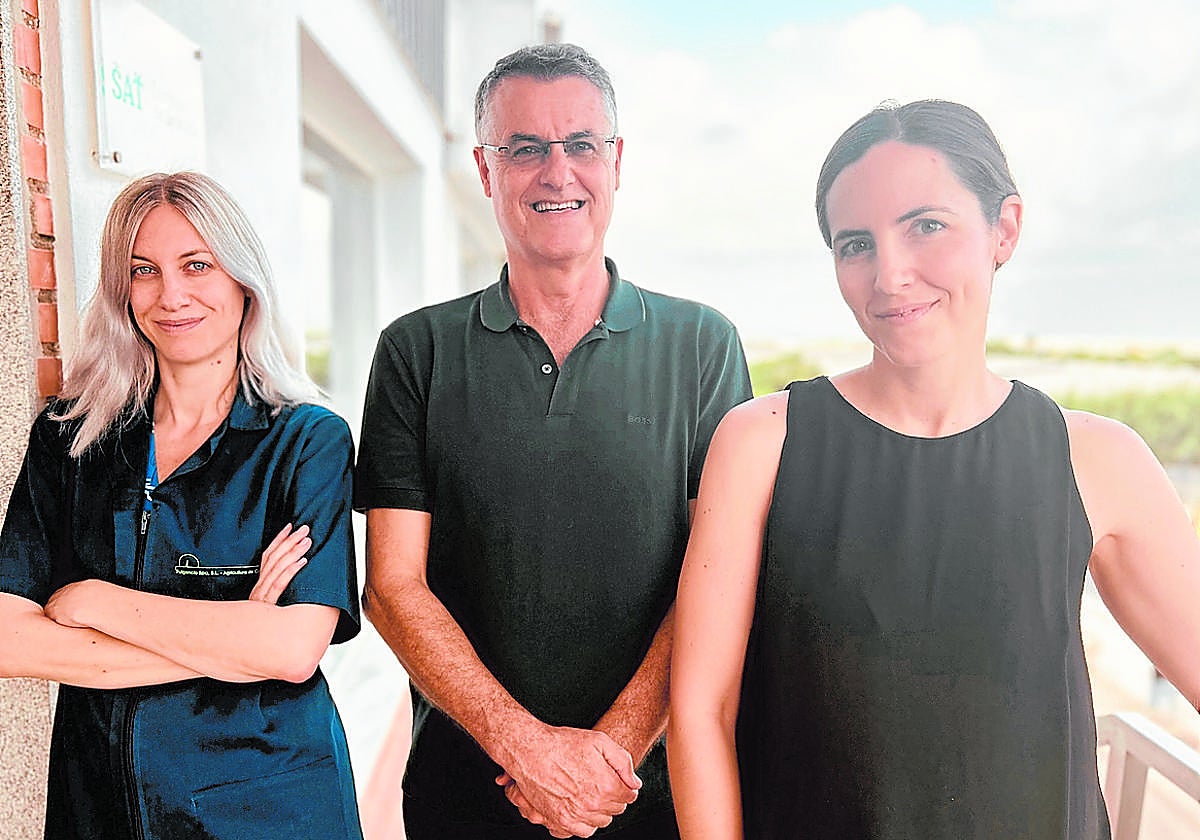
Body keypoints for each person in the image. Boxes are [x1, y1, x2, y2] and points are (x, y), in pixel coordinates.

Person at [667, 100, 1200, 839]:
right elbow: (701, 711)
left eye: (926, 226)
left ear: (1004, 229)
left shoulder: (1097, 459)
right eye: (856, 244)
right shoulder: (762, 444)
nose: (890, 274)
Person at [356, 43, 752, 839]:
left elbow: (720, 581)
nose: (556, 171)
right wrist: (527, 749)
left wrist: (610, 757)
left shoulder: (702, 345)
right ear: (485, 168)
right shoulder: (416, 353)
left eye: (580, 145)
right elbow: (392, 589)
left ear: (616, 161)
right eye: (525, 148)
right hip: (466, 798)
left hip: (655, 800)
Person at [0, 172, 363, 839]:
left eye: (197, 264)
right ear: (122, 289)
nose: (172, 295)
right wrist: (231, 639)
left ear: (242, 281)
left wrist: (94, 602)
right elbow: (8, 637)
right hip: (98, 804)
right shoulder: (69, 438)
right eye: (144, 270)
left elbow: (291, 650)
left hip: (267, 805)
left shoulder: (307, 440)